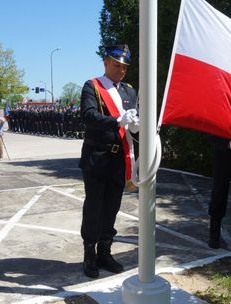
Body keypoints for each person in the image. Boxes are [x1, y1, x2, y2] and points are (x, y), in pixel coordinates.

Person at [79, 44, 139, 278]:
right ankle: (89, 254)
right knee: (94, 208)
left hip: (119, 159)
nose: (121, 70)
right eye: (117, 65)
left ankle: (105, 251)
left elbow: (134, 120)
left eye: (125, 67)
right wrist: (117, 120)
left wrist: (136, 125)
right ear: (105, 62)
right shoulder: (92, 86)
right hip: (97, 157)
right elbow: (88, 116)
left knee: (112, 208)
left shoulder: (129, 91)